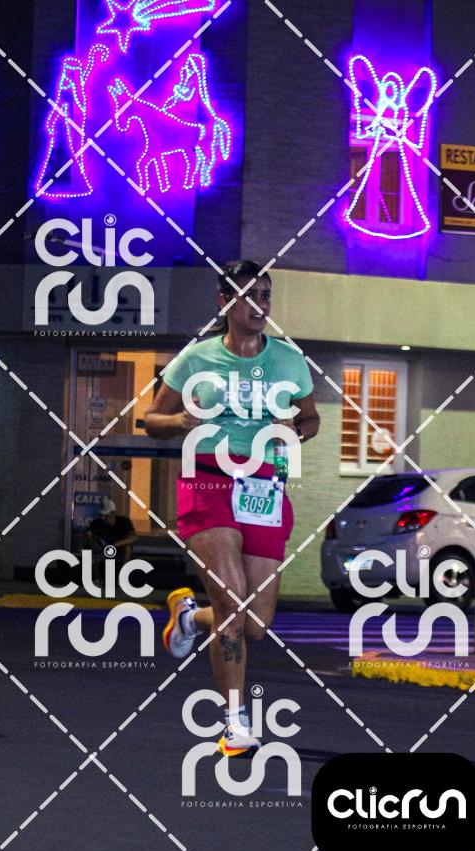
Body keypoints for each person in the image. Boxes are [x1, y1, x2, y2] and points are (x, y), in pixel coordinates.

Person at [144, 260, 320, 756]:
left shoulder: (289, 360)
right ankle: (235, 721)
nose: (260, 304)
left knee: (256, 624)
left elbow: (311, 419)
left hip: (263, 486)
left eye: (266, 295)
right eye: (249, 295)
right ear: (225, 303)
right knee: (233, 604)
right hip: (208, 479)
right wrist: (179, 421)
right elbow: (150, 418)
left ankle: (188, 617)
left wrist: (294, 430)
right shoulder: (196, 358)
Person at [86, 498, 138, 574]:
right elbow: (87, 534)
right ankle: (96, 577)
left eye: (105, 515)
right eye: (101, 515)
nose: (103, 518)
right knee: (88, 550)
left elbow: (134, 537)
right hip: (103, 548)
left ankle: (122, 574)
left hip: (118, 548)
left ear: (113, 513)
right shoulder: (96, 523)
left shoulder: (124, 522)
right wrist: (94, 545)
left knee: (127, 548)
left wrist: (117, 544)